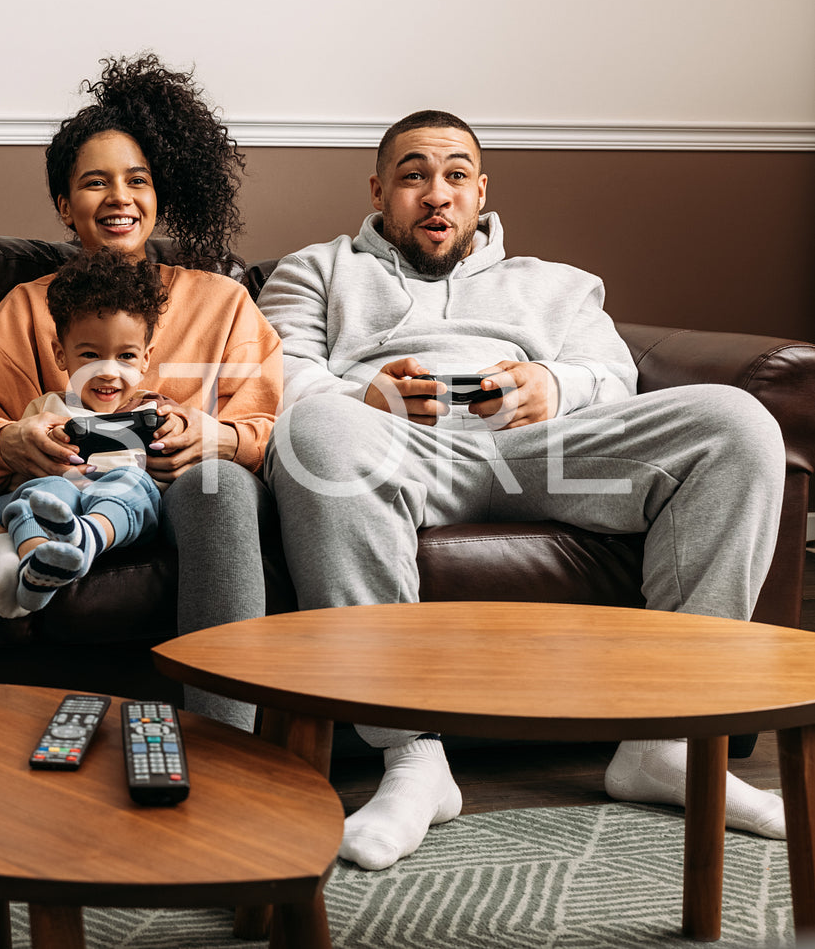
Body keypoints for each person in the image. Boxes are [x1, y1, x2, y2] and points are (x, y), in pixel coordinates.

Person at [257, 109, 787, 871]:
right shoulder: (315, 270)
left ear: (480, 190)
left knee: (736, 424)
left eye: (453, 175)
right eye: (412, 176)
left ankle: (667, 742)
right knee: (316, 433)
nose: (433, 194)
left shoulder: (558, 286)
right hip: (396, 451)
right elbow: (276, 376)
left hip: (543, 454)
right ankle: (412, 761)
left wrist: (555, 386)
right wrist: (364, 394)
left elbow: (615, 379)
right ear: (378, 190)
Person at [0, 53, 283, 730]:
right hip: (47, 498)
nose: (119, 198)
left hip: (171, 496)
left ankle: (227, 743)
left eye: (137, 180)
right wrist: (13, 441)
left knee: (225, 487)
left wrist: (210, 438)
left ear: (160, 194)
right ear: (64, 206)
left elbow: (268, 424)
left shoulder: (223, 301)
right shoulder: (25, 304)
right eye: (95, 183)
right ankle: (2, 549)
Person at [0, 247, 178, 612]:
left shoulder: (153, 407)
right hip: (61, 493)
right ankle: (36, 565)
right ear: (61, 355)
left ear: (145, 358)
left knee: (132, 484)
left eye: (125, 356)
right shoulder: (46, 409)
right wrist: (50, 443)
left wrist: (169, 433)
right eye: (90, 355)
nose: (108, 372)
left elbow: (176, 457)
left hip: (120, 509)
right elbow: (20, 466)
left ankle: (87, 536)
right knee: (39, 491)